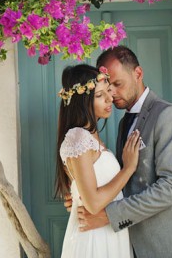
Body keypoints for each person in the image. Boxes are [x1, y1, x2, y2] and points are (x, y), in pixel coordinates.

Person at [66, 46, 172, 258]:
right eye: (107, 86)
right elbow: (125, 182)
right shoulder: (125, 123)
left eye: (117, 84)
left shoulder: (169, 116)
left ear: (138, 73)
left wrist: (109, 215)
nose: (111, 93)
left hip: (168, 243)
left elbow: (171, 187)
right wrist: (82, 195)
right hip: (128, 244)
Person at [56, 64, 142, 257]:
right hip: (94, 237)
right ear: (82, 101)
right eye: (99, 95)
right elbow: (93, 204)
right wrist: (128, 169)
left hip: (108, 230)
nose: (110, 98)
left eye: (108, 92)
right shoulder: (78, 137)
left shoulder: (91, 137)